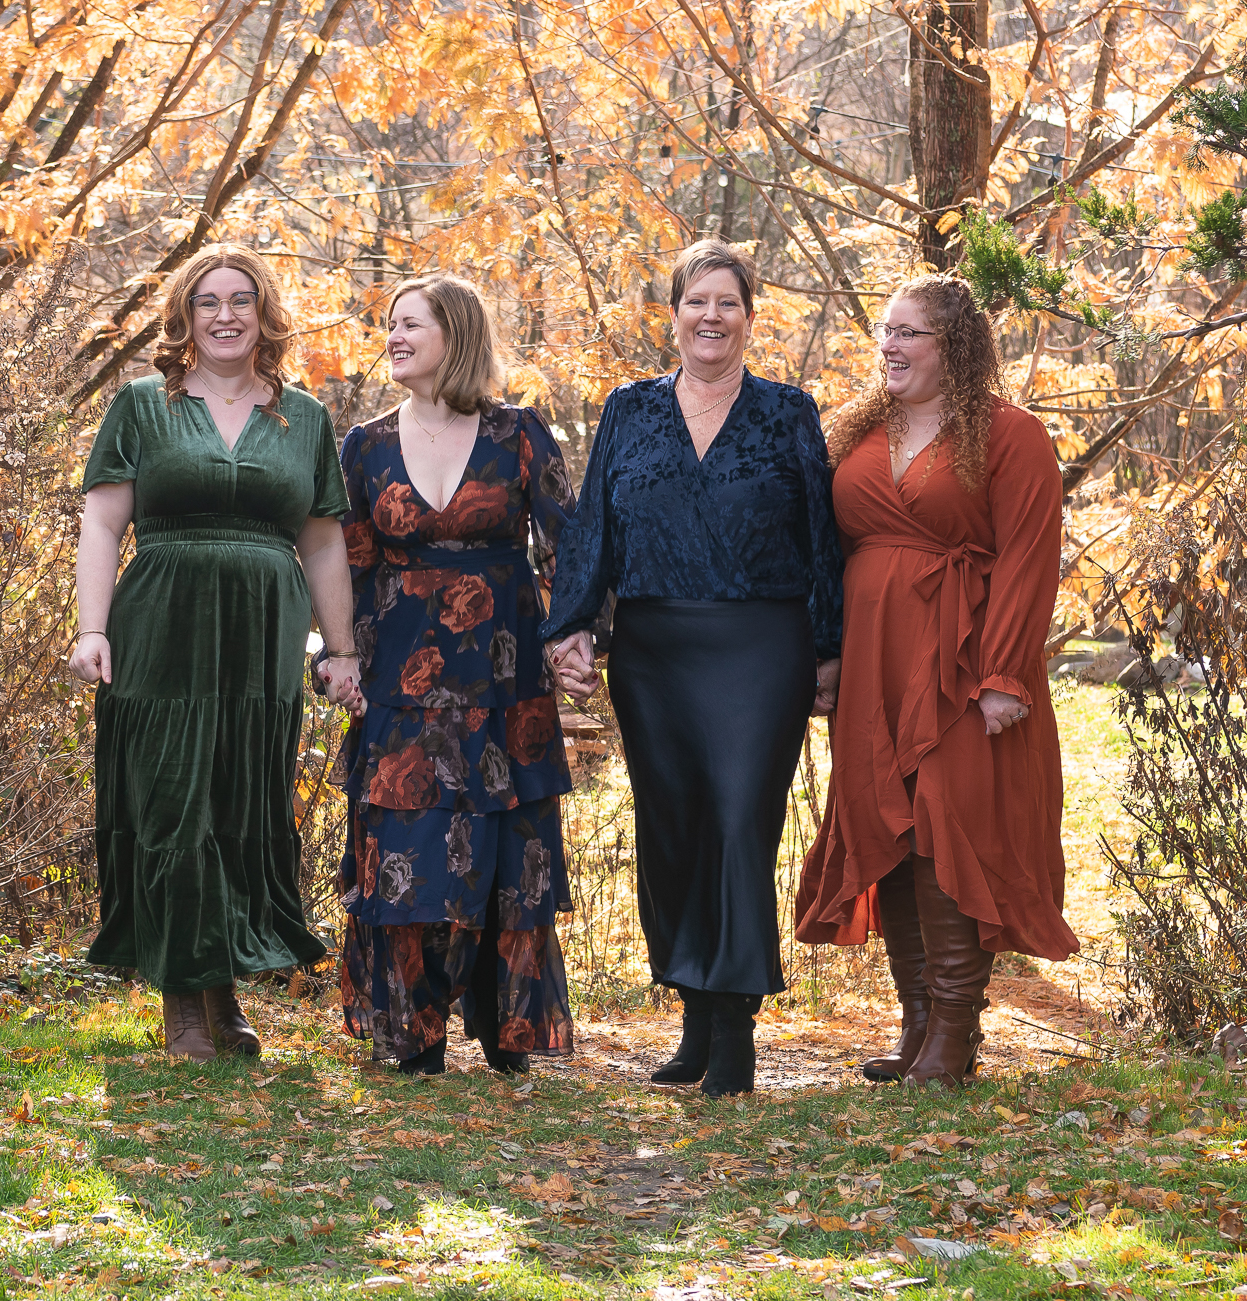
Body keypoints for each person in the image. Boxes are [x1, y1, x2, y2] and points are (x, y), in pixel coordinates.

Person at [542, 238, 843, 1098]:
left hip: (762, 645)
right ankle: (695, 1017)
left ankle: (735, 1027)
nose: (712, 316)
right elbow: (594, 527)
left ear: (749, 317)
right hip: (654, 650)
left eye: (728, 302)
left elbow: (822, 537)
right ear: (673, 314)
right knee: (672, 829)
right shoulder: (629, 409)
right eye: (696, 301)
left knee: (741, 822)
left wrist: (829, 648)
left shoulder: (787, 410)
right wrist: (571, 626)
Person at [70, 244, 366, 1062]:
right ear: (185, 316)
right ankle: (183, 1001)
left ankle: (221, 987)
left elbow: (323, 543)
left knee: (240, 801)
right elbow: (103, 522)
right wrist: (92, 629)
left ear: (265, 315)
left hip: (261, 637)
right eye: (208, 301)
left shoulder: (304, 417)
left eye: (242, 300)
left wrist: (341, 649)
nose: (225, 315)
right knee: (172, 800)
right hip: (161, 626)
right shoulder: (142, 406)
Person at [793, 273, 1079, 1088]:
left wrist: (1004, 673)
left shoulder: (1010, 434)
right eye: (885, 330)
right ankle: (917, 1025)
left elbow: (1028, 559)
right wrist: (827, 652)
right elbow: (829, 551)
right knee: (887, 828)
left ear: (953, 346)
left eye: (908, 332)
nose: (889, 345)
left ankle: (954, 1036)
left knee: (947, 826)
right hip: (874, 665)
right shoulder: (858, 431)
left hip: (961, 664)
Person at [334, 274, 581, 1076]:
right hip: (399, 682)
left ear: (458, 334)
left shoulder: (520, 434)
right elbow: (347, 565)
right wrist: (335, 656)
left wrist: (577, 638)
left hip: (505, 681)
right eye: (391, 324)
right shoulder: (365, 445)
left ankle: (507, 1034)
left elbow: (567, 547)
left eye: (412, 323)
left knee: (506, 850)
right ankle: (415, 1034)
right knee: (406, 847)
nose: (395, 336)